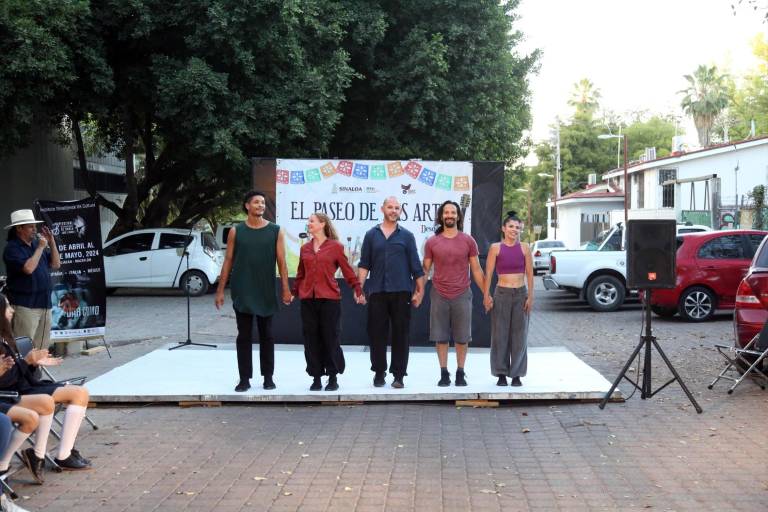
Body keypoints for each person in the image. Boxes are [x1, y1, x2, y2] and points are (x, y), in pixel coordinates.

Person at [0, 294, 91, 471]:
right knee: (52, 400)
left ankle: (61, 454)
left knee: (81, 392)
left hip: (25, 386)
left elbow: (17, 373)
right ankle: (44, 456)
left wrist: (34, 363)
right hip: (13, 393)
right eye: (8, 307)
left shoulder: (6, 337)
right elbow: (6, 381)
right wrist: (26, 362)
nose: (12, 311)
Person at [215, 190, 292, 392]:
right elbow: (228, 261)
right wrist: (220, 290)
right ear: (247, 206)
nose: (261, 206)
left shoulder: (276, 230)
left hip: (265, 289)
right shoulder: (236, 231)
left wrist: (285, 289)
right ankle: (244, 379)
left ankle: (268, 377)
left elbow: (282, 262)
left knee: (267, 334)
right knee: (244, 335)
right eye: (256, 202)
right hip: (243, 289)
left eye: (263, 203)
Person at [357, 197, 425, 389]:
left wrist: (419, 291)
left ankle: (399, 375)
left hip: (402, 291)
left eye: (397, 208)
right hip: (377, 291)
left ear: (400, 211)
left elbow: (416, 267)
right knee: (376, 334)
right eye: (390, 207)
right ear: (382, 209)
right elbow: (364, 264)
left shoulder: (407, 236)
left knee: (401, 335)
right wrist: (358, 289)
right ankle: (379, 372)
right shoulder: (371, 235)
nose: (393, 210)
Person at [292, 213, 364, 391]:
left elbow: (347, 270)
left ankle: (332, 376)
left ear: (322, 224)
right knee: (311, 339)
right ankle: (316, 376)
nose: (308, 224)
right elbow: (301, 273)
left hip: (330, 299)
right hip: (308, 299)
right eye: (308, 221)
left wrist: (357, 289)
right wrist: (293, 292)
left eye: (312, 221)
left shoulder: (335, 247)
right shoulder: (305, 248)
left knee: (330, 337)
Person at [423, 200, 485, 387]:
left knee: (462, 337)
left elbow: (476, 269)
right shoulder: (432, 242)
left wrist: (486, 294)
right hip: (439, 294)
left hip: (462, 294)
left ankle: (460, 372)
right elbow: (425, 270)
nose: (450, 215)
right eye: (446, 212)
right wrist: (418, 292)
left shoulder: (468, 241)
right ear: (441, 216)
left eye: (453, 212)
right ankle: (443, 373)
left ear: (458, 216)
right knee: (440, 337)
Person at [483, 211, 534, 387]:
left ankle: (517, 374)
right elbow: (488, 273)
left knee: (519, 336)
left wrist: (531, 297)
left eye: (517, 227)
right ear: (503, 228)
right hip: (501, 294)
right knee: (500, 335)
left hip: (520, 294)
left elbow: (530, 273)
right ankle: (501, 373)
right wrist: (486, 295)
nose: (514, 230)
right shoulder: (495, 248)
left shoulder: (525, 248)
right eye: (511, 226)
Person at [3, 209, 60, 351]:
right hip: (25, 306)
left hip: (44, 303)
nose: (35, 230)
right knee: (24, 349)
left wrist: (51, 242)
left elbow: (56, 264)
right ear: (19, 228)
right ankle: (23, 373)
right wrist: (41, 247)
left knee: (41, 349)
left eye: (35, 226)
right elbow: (28, 268)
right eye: (30, 226)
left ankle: (37, 373)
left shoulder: (35, 245)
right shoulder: (12, 248)